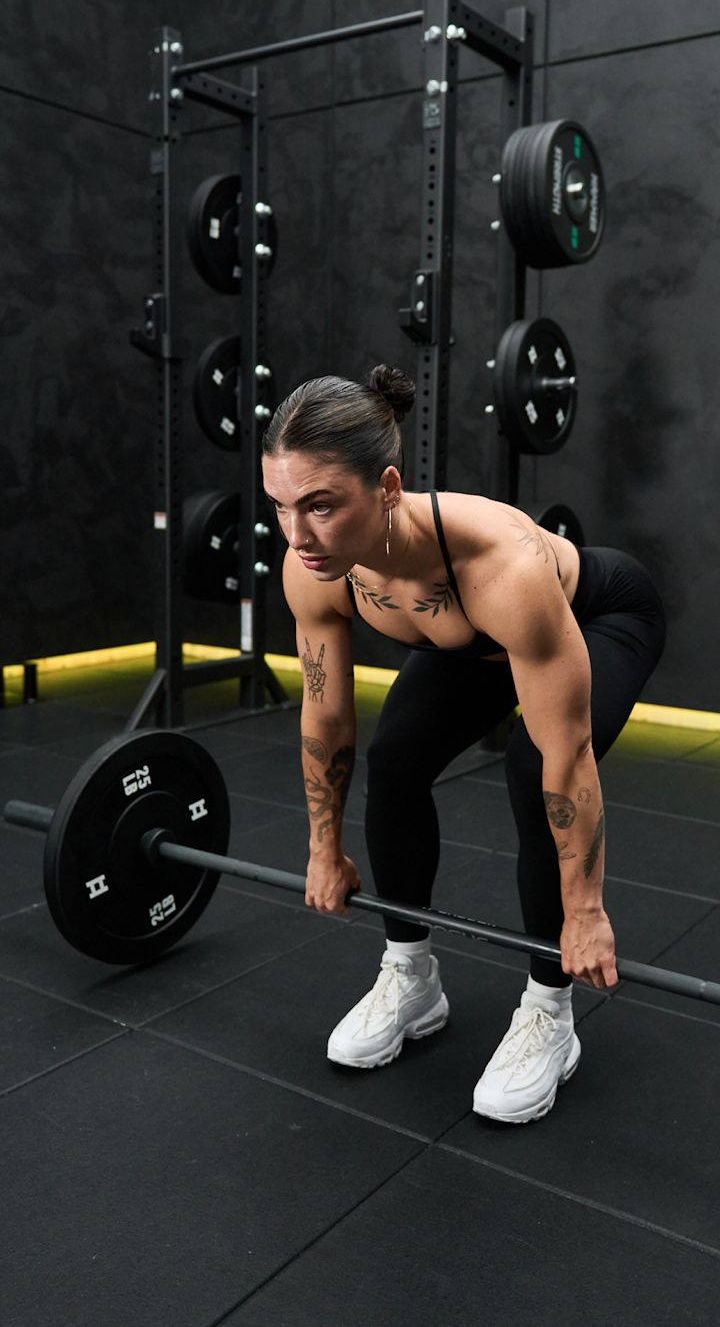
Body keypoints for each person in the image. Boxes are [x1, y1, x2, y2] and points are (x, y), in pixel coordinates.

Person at [261, 364, 666, 1123]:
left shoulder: (501, 564)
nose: (297, 534)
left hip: (602, 615)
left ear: (386, 487)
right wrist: (324, 846)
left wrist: (584, 910)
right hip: (474, 645)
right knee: (396, 759)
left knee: (527, 767)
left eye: (319, 506)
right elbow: (326, 720)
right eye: (280, 506)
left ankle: (549, 1011)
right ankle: (410, 975)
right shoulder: (313, 566)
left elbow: (566, 755)